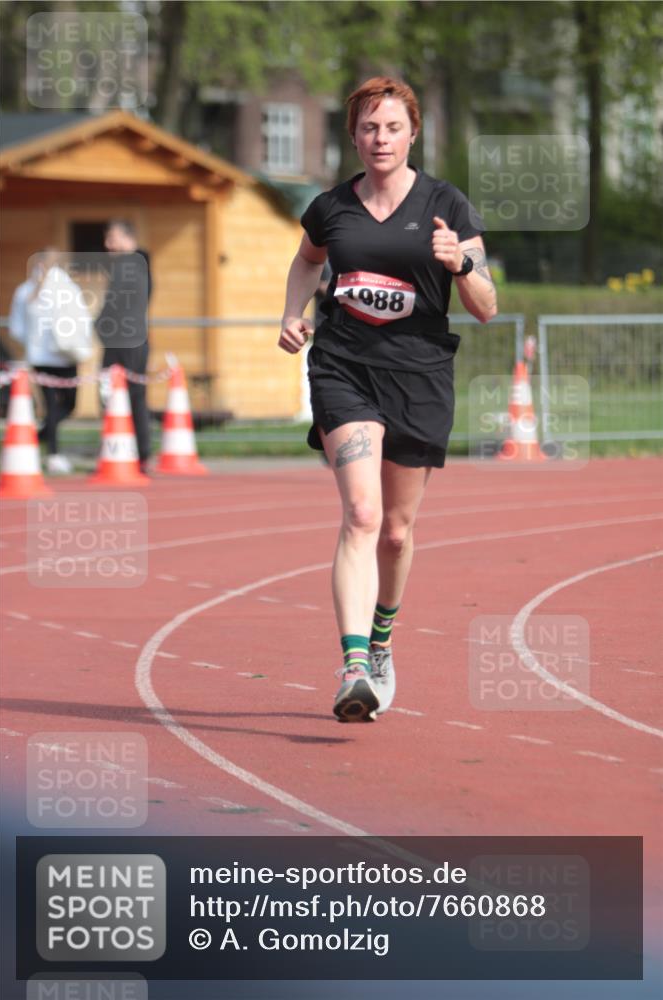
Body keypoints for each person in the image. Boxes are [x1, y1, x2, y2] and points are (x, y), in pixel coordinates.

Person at [278, 77, 497, 722]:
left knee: (397, 534)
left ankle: (380, 641)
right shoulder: (330, 207)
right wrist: (293, 313)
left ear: (412, 133)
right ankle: (352, 667)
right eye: (369, 128)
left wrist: (460, 263)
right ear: (353, 136)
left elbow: (486, 306)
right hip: (344, 367)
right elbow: (307, 259)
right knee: (364, 515)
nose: (380, 139)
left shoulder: (446, 204)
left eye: (392, 127)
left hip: (420, 374)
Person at [8, 249, 89, 474]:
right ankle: (52, 452)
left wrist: (32, 343)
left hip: (42, 358)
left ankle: (38, 437)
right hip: (63, 357)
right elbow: (81, 320)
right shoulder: (65, 289)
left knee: (53, 407)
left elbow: (17, 329)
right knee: (64, 405)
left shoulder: (24, 291)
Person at [96, 220, 153, 474]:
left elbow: (116, 304)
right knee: (134, 397)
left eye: (112, 238)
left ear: (127, 238)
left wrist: (98, 325)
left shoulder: (129, 266)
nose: (108, 245)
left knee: (115, 397)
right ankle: (138, 454)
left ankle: (124, 454)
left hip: (123, 342)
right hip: (134, 340)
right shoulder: (141, 264)